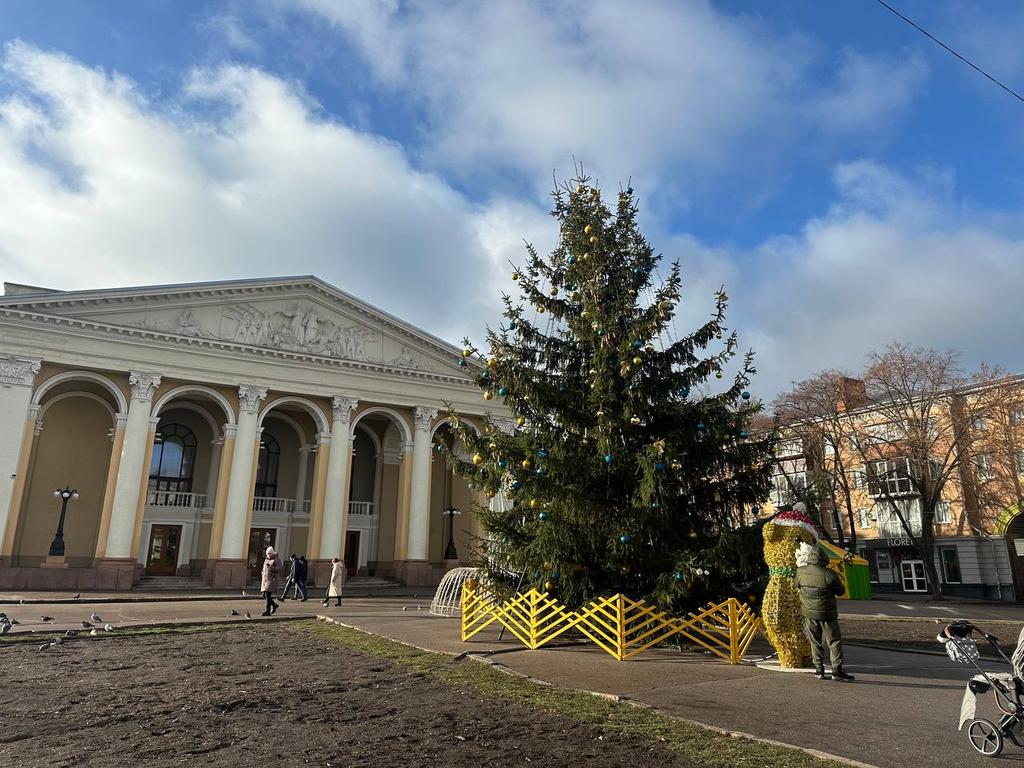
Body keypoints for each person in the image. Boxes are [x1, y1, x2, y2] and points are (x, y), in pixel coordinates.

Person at [794, 541, 854, 681]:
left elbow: (797, 585)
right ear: (824, 559)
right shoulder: (830, 574)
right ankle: (836, 670)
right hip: (828, 614)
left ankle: (819, 669)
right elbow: (840, 592)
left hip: (809, 613)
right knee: (834, 641)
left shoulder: (800, 572)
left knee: (815, 641)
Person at [260, 546, 281, 616]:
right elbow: (264, 569)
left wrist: (271, 567)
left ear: (272, 553)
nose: (268, 555)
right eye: (267, 553)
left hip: (272, 580)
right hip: (265, 580)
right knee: (264, 594)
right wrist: (262, 572)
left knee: (267, 594)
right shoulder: (266, 560)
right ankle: (274, 605)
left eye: (270, 553)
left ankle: (267, 611)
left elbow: (278, 568)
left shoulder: (276, 559)